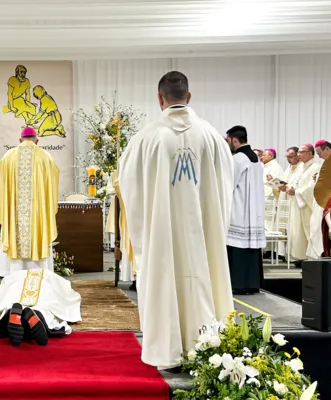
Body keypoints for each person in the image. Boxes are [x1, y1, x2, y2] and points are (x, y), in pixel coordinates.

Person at [118, 71, 234, 371]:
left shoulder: (144, 139)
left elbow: (129, 188)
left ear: (160, 100)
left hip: (163, 237)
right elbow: (225, 187)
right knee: (205, 275)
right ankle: (208, 347)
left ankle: (166, 353)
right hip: (203, 238)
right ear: (189, 96)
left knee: (163, 277)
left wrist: (145, 235)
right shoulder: (212, 137)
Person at [0, 127, 59, 277]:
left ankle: (14, 278)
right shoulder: (45, 157)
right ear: (37, 140)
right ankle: (39, 277)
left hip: (15, 215)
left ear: (20, 140)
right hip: (38, 215)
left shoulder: (8, 156)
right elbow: (53, 182)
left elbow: (0, 180)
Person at [0, 269, 82, 346]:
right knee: (44, 308)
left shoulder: (13, 277)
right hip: (45, 286)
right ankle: (37, 316)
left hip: (15, 287)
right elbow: (69, 296)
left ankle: (11, 314)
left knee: (10, 303)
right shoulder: (51, 276)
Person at [225, 126, 266, 294]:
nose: (228, 144)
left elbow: (228, 184)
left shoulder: (238, 160)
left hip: (240, 208)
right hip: (254, 208)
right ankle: (252, 284)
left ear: (235, 140)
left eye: (228, 140)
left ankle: (239, 284)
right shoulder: (255, 157)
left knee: (237, 245)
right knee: (250, 247)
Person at [285, 144, 320, 263]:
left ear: (310, 153)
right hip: (299, 203)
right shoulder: (303, 167)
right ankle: (301, 257)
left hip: (307, 205)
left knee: (308, 230)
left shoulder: (315, 167)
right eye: (298, 152)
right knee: (298, 231)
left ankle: (311, 258)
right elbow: (297, 182)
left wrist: (297, 191)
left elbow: (312, 187)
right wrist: (291, 188)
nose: (298, 155)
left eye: (301, 152)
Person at [273, 147, 302, 258]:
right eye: (287, 157)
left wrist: (288, 187)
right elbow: (285, 181)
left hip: (294, 203)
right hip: (285, 200)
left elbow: (298, 185)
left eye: (290, 156)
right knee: (283, 227)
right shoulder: (289, 168)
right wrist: (277, 184)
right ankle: (283, 253)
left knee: (293, 229)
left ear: (297, 156)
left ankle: (293, 255)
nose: (288, 159)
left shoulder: (301, 168)